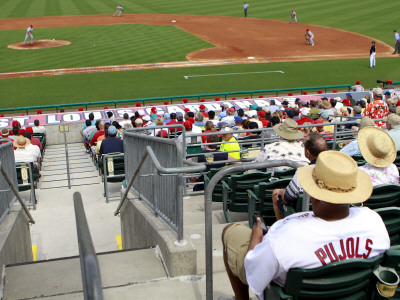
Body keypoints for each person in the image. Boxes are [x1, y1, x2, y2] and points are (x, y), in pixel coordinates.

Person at [221, 151, 390, 300]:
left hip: (284, 290)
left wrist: (256, 240)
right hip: (354, 294)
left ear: (314, 194)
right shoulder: (374, 221)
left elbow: (255, 277)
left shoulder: (284, 235)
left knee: (230, 231)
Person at [272, 132, 328, 220]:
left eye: (304, 145)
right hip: (329, 213)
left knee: (276, 193)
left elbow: (287, 198)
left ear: (308, 152)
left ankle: (280, 227)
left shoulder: (302, 173)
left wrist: (281, 191)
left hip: (305, 216)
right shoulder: (335, 169)